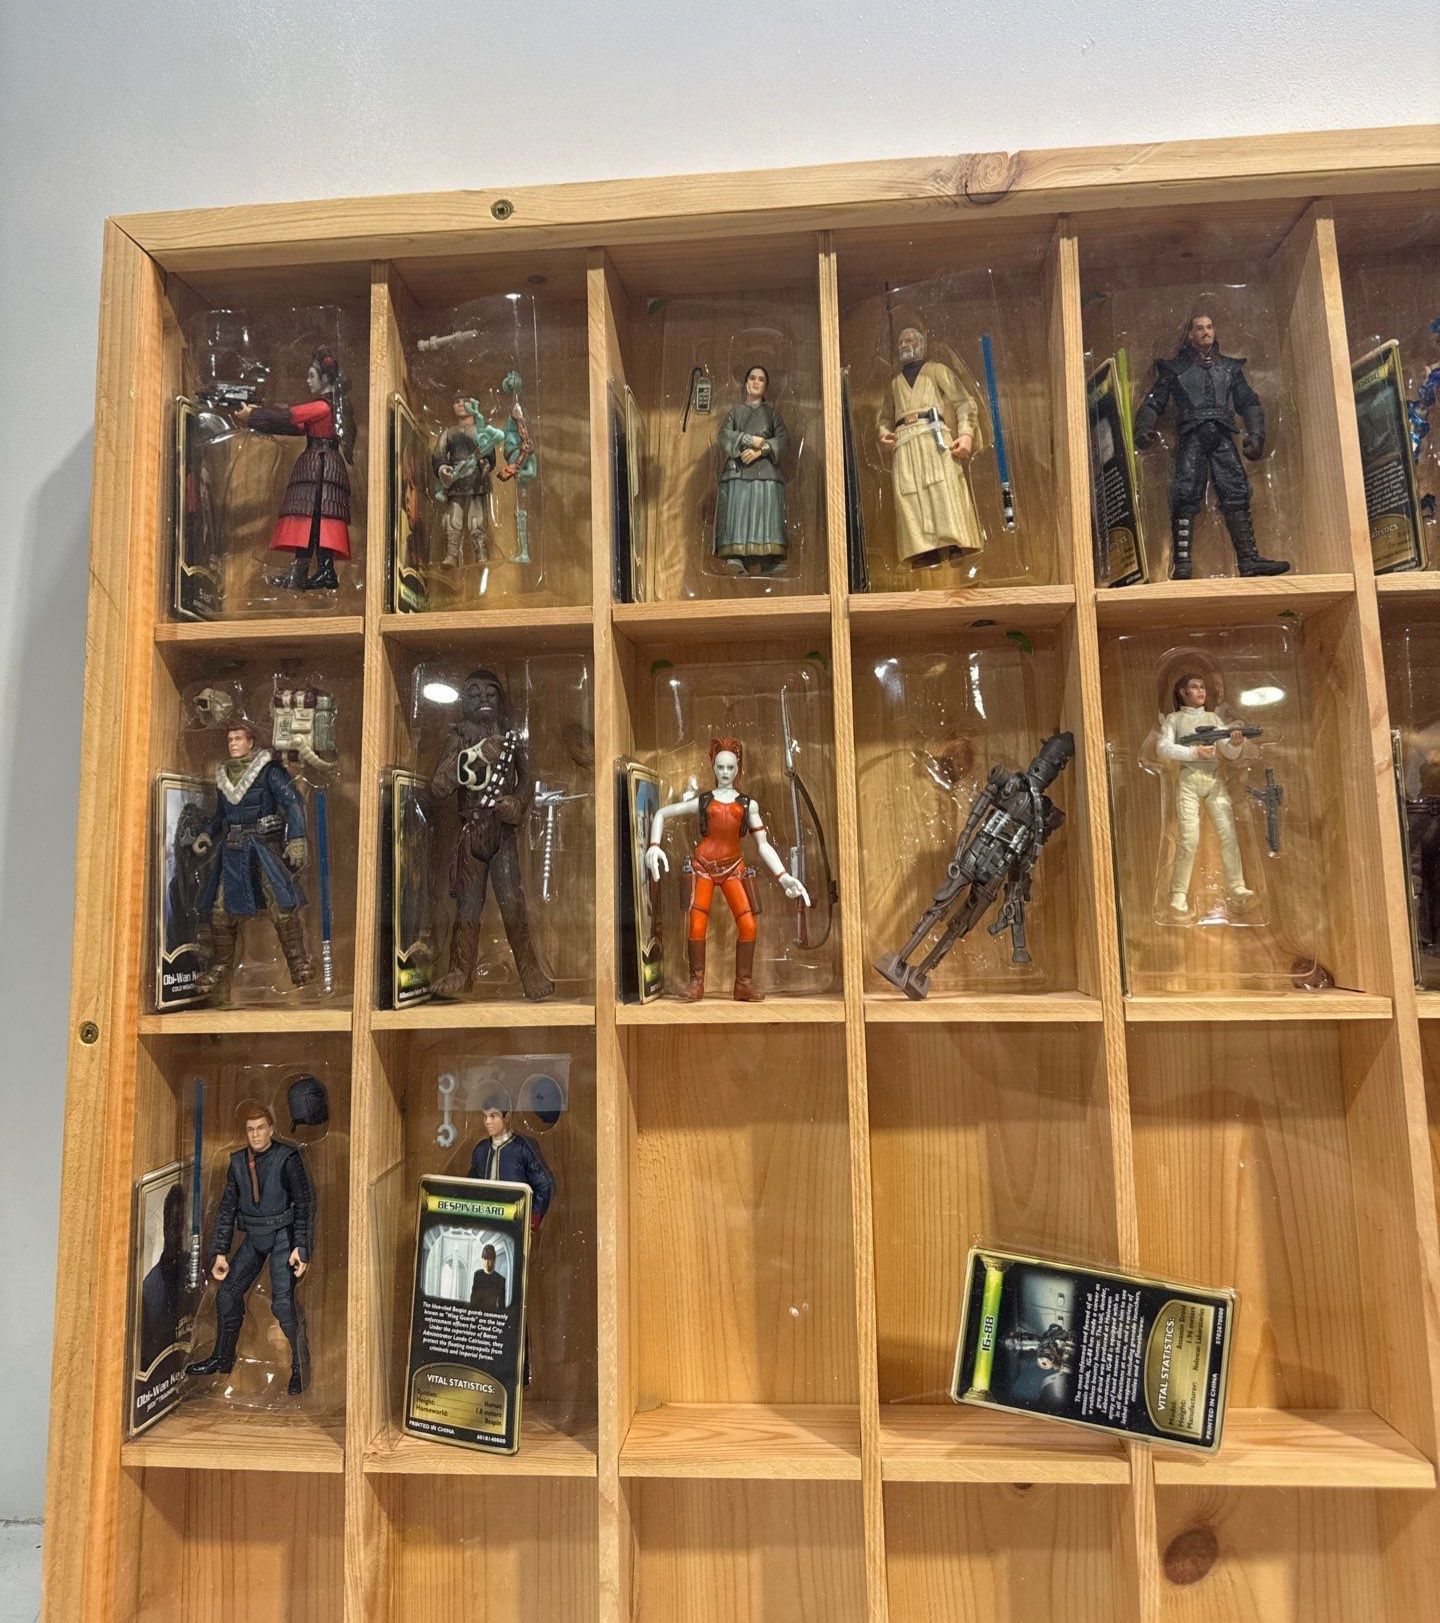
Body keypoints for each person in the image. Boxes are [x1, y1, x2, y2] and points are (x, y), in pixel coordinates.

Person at [645, 736, 810, 1001]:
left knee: (749, 925)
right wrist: (654, 845)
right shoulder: (703, 801)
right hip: (703, 867)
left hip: (734, 867)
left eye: (730, 767)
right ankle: (696, 982)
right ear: (713, 767)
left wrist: (783, 876)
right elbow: (662, 813)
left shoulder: (747, 805)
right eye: (720, 767)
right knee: (697, 925)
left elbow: (763, 845)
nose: (725, 772)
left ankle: (743, 983)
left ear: (737, 768)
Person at [1133, 311, 1288, 580]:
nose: (1206, 331)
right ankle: (1182, 562)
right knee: (1185, 493)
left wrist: (1256, 435)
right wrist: (1144, 428)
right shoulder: (1175, 369)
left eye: (1210, 327)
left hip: (1221, 434)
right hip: (1191, 434)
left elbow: (1248, 402)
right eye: (1199, 328)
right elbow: (1154, 401)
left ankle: (1248, 559)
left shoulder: (1229, 369)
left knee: (1236, 491)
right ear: (1189, 335)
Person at [430, 668, 553, 1001]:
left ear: (501, 699)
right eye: (474, 693)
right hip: (471, 833)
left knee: (513, 903)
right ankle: (460, 970)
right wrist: (475, 756)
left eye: (490, 693)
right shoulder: (458, 737)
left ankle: (530, 971)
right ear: (462, 702)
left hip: (502, 835)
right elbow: (439, 784)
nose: (483, 698)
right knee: (467, 906)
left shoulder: (512, 738)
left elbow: (528, 780)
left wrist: (517, 802)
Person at [186, 1105, 315, 1396]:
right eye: (250, 1129)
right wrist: (220, 1252)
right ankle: (223, 1358)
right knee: (227, 1294)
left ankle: (300, 1366)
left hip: (282, 1235)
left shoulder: (288, 1158)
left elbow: (304, 1204)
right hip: (254, 1236)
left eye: (260, 1128)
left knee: (283, 1305)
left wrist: (301, 1247)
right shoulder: (237, 1162)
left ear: (270, 1129)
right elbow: (227, 1208)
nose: (255, 1134)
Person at [192, 720, 314, 999]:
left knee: (280, 902)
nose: (233, 744)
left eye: (238, 738)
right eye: (230, 739)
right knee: (221, 907)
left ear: (250, 742)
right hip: (233, 850)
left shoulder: (269, 771)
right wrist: (208, 834)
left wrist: (297, 838)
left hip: (263, 848)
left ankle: (298, 962)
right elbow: (221, 816)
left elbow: (293, 802)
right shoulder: (224, 776)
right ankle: (221, 965)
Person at [236, 346, 354, 592]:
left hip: (322, 466)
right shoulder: (327, 408)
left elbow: (291, 416)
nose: (307, 381)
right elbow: (293, 426)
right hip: (316, 464)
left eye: (312, 376)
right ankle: (301, 571)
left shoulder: (322, 407)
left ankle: (325, 570)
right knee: (309, 518)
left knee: (318, 518)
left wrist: (254, 415)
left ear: (325, 378)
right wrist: (258, 420)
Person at [877, 326, 983, 568]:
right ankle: (924, 550)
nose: (905, 345)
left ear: (922, 344)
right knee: (910, 495)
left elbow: (963, 402)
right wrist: (884, 434)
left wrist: (966, 434)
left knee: (942, 488)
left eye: (910, 340)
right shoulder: (894, 384)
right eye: (901, 342)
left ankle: (955, 544)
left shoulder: (936, 371)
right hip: (905, 442)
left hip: (933, 436)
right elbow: (885, 418)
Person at [1157, 672, 1254, 914]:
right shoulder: (1174, 719)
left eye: (1203, 687)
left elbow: (1228, 753)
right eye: (1195, 687)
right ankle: (1178, 893)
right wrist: (1193, 753)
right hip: (1189, 780)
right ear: (1183, 692)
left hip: (1214, 780)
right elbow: (1163, 747)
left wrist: (1235, 743)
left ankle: (1237, 887)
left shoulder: (1212, 718)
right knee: (1189, 839)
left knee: (1229, 835)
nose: (1201, 691)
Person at [714, 364, 789, 575]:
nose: (756, 382)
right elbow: (724, 436)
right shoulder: (735, 412)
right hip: (738, 471)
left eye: (761, 379)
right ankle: (736, 556)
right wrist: (747, 439)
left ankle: (767, 559)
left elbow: (783, 440)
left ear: (766, 387)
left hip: (766, 472)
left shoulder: (772, 414)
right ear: (746, 383)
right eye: (753, 378)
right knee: (739, 510)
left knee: (765, 512)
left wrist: (761, 450)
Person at [432, 392, 505, 567]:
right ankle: (451, 554)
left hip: (476, 482)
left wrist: (486, 465)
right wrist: (442, 469)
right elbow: (438, 455)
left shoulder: (481, 430)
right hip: (455, 482)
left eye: (465, 401)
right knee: (452, 519)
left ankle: (481, 555)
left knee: (477, 520)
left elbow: (490, 456)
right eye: (457, 401)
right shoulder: (449, 432)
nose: (460, 405)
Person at [139, 1184, 186, 1373]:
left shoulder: (197, 1273)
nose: (176, 1231)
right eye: (172, 1223)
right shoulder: (150, 1289)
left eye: (180, 1222)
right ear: (165, 1224)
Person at [469, 1243, 508, 1311]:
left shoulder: (501, 1280)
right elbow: (473, 1300)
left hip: (491, 1315)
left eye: (489, 1259)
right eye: (484, 1259)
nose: (486, 1263)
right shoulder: (477, 1275)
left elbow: (501, 1306)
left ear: (494, 1260)